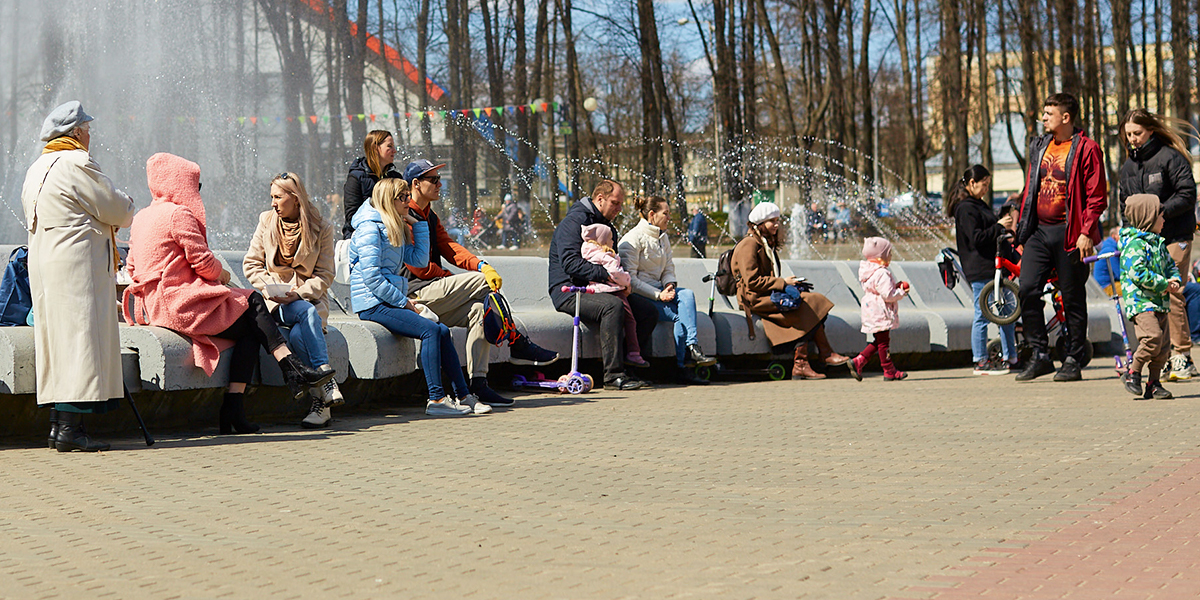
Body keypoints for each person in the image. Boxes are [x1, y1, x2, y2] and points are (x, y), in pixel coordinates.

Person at [124, 153, 334, 434]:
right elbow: (205, 265)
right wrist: (223, 275)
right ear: (178, 183)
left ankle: (234, 410)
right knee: (253, 302)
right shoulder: (178, 214)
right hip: (179, 306)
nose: (196, 191)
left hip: (153, 306)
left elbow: (132, 267)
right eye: (194, 185)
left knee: (251, 330)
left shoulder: (140, 217)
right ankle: (291, 367)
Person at [21, 101, 136, 452]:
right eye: (87, 130)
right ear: (75, 133)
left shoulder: (37, 167)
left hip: (47, 268)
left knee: (58, 344)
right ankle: (72, 429)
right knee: (80, 343)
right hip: (77, 268)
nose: (90, 137)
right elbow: (116, 208)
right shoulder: (77, 163)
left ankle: (59, 426)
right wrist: (128, 203)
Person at [402, 159, 558, 407]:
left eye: (439, 179)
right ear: (416, 184)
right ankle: (516, 341)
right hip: (414, 296)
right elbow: (418, 268)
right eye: (433, 180)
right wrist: (453, 276)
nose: (440, 184)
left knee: (479, 311)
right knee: (482, 283)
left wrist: (481, 264)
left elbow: (450, 247)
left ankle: (478, 385)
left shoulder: (430, 215)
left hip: (434, 293)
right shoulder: (404, 215)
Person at [351, 179, 489, 416]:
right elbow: (372, 278)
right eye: (403, 197)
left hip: (387, 299)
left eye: (408, 196)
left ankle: (464, 396)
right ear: (388, 200)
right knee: (431, 330)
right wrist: (404, 302)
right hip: (372, 303)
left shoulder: (393, 225)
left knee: (442, 330)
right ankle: (436, 399)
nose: (408, 201)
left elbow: (419, 260)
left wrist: (419, 225)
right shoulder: (369, 229)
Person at [1012, 93, 1107, 382]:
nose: (1043, 118)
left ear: (1065, 117)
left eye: (1048, 113)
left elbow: (1097, 196)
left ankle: (1073, 358)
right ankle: (1040, 354)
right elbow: (1031, 188)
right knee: (1027, 289)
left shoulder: (1087, 148)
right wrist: (1020, 228)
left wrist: (1086, 231)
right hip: (1039, 232)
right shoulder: (1040, 145)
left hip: (1071, 233)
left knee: (1072, 297)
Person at [244, 172, 342, 429]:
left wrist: (299, 293)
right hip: (276, 302)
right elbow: (251, 264)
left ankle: (320, 405)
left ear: (296, 198)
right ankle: (326, 377)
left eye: (278, 197)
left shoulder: (322, 227)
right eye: (272, 197)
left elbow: (325, 274)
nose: (273, 203)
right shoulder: (266, 221)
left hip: (309, 299)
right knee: (305, 313)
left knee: (299, 335)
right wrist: (270, 287)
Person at [548, 180, 658, 390]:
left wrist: (622, 281)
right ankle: (613, 376)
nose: (619, 209)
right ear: (600, 199)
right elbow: (570, 263)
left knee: (648, 312)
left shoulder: (607, 227)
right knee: (612, 307)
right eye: (615, 203)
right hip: (570, 291)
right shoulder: (574, 222)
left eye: (620, 204)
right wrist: (607, 276)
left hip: (602, 289)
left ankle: (629, 368)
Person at [1118, 108, 1198, 381]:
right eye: (1129, 134)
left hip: (1175, 235)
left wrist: (1159, 211)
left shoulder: (1170, 157)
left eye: (1137, 133)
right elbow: (1126, 206)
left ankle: (1182, 355)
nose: (1133, 139)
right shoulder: (1128, 167)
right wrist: (1128, 234)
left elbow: (1187, 193)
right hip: (1145, 241)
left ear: (1151, 130)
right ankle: (1161, 358)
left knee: (1172, 291)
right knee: (1154, 295)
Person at [730, 202, 850, 380]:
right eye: (772, 221)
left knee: (811, 301)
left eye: (777, 220)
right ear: (760, 223)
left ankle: (812, 360)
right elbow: (752, 281)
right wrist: (783, 283)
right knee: (807, 304)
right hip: (754, 299)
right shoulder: (749, 244)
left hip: (765, 294)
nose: (776, 225)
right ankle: (811, 359)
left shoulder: (763, 242)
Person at [618, 195, 716, 385]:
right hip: (641, 296)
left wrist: (669, 283)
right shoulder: (632, 239)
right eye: (666, 213)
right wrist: (658, 294)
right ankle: (682, 366)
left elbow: (668, 268)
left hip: (662, 291)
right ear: (652, 214)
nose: (669, 218)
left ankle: (692, 346)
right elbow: (631, 281)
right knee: (680, 316)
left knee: (686, 294)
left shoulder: (663, 237)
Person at [946, 164, 1019, 375]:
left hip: (995, 266)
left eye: (988, 184)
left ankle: (1011, 357)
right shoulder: (965, 208)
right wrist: (999, 225)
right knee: (983, 314)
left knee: (1007, 312)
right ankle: (979, 360)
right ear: (972, 183)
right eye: (984, 184)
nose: (986, 189)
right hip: (980, 267)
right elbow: (976, 238)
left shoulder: (978, 204)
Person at [1119, 194, 1181, 400]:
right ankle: (1133, 372)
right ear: (1148, 218)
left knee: (1163, 347)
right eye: (1160, 216)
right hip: (1141, 302)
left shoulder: (1159, 244)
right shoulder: (1135, 245)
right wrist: (1164, 284)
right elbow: (1138, 273)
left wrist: (1174, 278)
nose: (1164, 220)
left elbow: (1170, 265)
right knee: (1152, 337)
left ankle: (1153, 383)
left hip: (1159, 302)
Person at [581, 223, 646, 366]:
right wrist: (627, 281)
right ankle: (634, 352)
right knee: (630, 320)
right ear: (602, 240)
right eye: (610, 239)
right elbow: (616, 273)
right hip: (613, 290)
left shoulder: (590, 254)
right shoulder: (605, 256)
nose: (613, 242)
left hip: (597, 291)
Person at [848, 237, 910, 381]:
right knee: (883, 342)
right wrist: (901, 292)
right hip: (881, 310)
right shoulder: (882, 273)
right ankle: (889, 370)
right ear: (881, 256)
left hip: (871, 309)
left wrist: (894, 286)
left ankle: (859, 361)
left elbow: (879, 289)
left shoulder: (868, 271)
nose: (891, 256)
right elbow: (888, 295)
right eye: (889, 253)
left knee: (880, 340)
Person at [342, 129, 401, 239]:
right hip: (361, 238)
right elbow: (352, 217)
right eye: (389, 146)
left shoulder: (396, 178)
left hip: (391, 237)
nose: (394, 151)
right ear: (375, 148)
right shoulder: (356, 178)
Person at [1092, 228, 1121, 296]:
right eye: (1121, 234)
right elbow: (1119, 274)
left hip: (1105, 284)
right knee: (1132, 288)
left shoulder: (1109, 246)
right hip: (1106, 287)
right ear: (1113, 236)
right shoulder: (1110, 251)